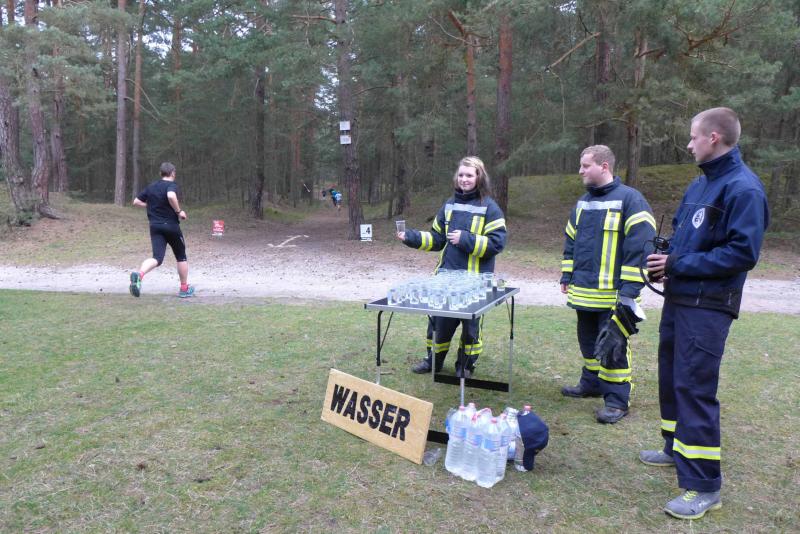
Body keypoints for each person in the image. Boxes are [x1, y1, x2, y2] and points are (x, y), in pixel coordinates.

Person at [641, 108, 769, 520]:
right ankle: (673, 448)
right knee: (671, 377)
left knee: (695, 387)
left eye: (693, 136)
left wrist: (678, 263)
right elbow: (686, 240)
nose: (689, 143)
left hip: (709, 305)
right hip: (680, 299)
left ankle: (704, 486)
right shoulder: (701, 183)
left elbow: (742, 253)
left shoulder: (744, 188)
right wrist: (665, 260)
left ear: (713, 137)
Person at [559, 145, 655, 424]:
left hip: (614, 296)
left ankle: (616, 401)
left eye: (585, 165)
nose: (580, 171)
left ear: (604, 167)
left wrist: (629, 291)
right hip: (583, 293)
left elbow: (641, 248)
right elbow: (571, 241)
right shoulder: (582, 203)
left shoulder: (631, 200)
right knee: (588, 342)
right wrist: (567, 276)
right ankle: (591, 383)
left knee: (613, 347)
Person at [397, 156, 507, 378]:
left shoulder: (490, 208)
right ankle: (433, 362)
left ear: (479, 177)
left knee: (470, 330)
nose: (464, 179)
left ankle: (465, 366)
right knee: (439, 325)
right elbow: (437, 239)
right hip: (446, 280)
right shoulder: (449, 205)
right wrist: (411, 237)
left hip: (474, 283)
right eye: (461, 175)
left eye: (470, 175)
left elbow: (497, 243)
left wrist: (466, 239)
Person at [129, 162, 194, 298]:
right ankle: (184, 288)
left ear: (160, 173)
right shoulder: (171, 185)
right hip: (171, 226)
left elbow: (136, 201)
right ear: (173, 173)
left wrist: (151, 204)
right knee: (181, 256)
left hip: (155, 226)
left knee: (157, 258)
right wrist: (179, 211)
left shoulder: (151, 187)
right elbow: (171, 196)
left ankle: (140, 274)